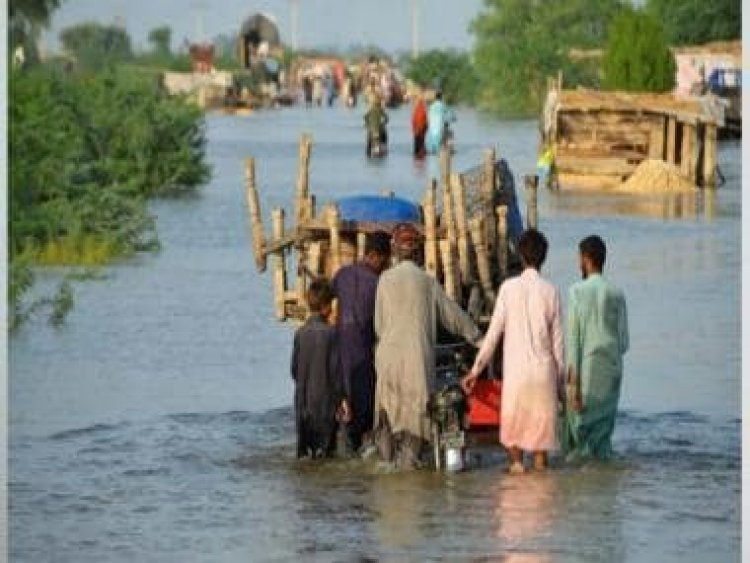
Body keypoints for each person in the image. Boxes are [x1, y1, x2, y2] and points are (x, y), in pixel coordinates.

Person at [373, 223, 481, 468]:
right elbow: (454, 317)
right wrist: (478, 337)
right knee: (415, 427)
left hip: (387, 361)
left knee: (387, 425)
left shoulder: (384, 281)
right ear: (418, 252)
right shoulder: (427, 282)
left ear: (395, 251)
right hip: (416, 363)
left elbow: (379, 327)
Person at [462, 229, 564, 473]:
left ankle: (516, 478)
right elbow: (558, 346)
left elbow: (492, 336)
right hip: (543, 376)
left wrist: (475, 371)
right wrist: (560, 388)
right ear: (544, 258)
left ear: (520, 256)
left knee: (514, 450)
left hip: (517, 377)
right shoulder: (551, 292)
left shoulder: (508, 289)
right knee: (541, 459)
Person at [561, 235, 629, 460]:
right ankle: (605, 492)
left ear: (585, 259)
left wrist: (573, 387)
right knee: (603, 441)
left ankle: (586, 490)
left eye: (579, 258)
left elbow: (574, 342)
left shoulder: (576, 292)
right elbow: (624, 343)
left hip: (586, 372)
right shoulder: (617, 293)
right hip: (612, 372)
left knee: (579, 442)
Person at [332, 231, 392, 453]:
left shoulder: (342, 274)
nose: (386, 265)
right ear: (375, 256)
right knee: (363, 416)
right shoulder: (379, 284)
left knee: (344, 412)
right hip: (363, 358)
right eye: (385, 260)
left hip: (339, 357)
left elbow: (330, 296)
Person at [291, 278, 350, 458]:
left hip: (303, 405)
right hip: (325, 406)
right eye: (331, 304)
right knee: (326, 455)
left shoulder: (300, 334)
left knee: (305, 454)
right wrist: (343, 400)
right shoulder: (331, 334)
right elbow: (336, 374)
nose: (333, 309)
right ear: (325, 306)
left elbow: (294, 370)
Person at [411, 93, 428, 158]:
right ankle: (421, 154)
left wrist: (414, 131)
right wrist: (425, 130)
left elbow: (413, 121)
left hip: (416, 132)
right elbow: (426, 122)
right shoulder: (423, 110)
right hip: (421, 131)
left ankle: (417, 155)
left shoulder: (416, 111)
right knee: (421, 146)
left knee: (416, 148)